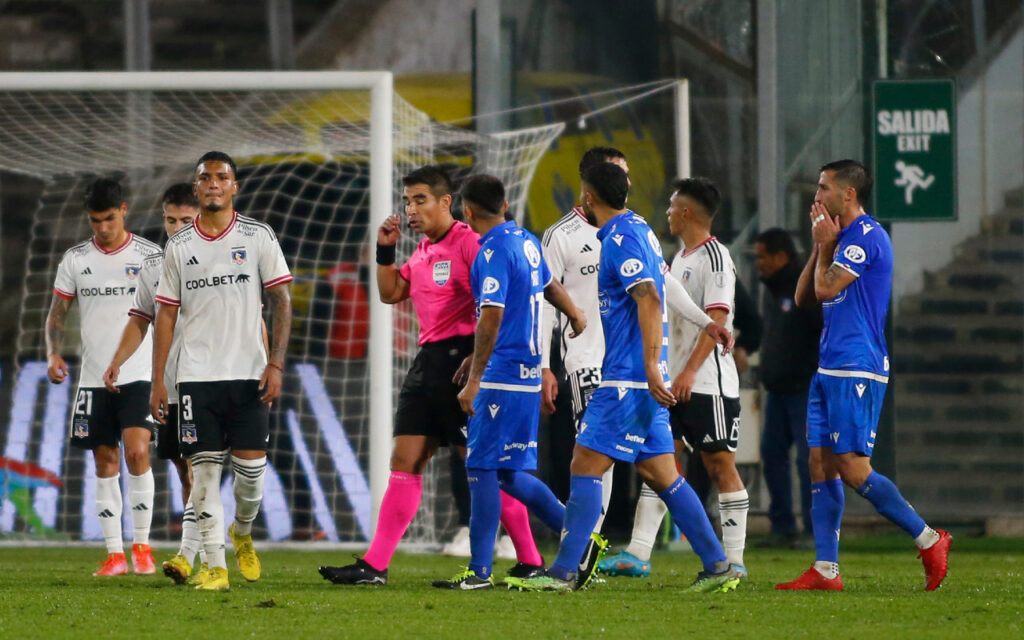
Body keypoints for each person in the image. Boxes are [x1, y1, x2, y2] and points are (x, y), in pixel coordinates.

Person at [507, 163, 740, 593]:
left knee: (584, 463)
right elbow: (662, 286)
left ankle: (564, 572)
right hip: (637, 377)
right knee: (664, 474)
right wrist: (702, 323)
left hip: (628, 379)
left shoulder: (618, 239)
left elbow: (649, 296)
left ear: (589, 197)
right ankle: (718, 565)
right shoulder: (642, 230)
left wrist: (651, 365)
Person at [318, 166, 542, 587]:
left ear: (447, 203)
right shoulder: (421, 251)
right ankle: (375, 566)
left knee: (487, 467)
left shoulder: (471, 244)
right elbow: (389, 293)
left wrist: (479, 361)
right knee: (405, 460)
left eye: (420, 199)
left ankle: (530, 557)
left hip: (463, 362)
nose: (411, 209)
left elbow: (497, 304)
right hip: (427, 363)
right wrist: (385, 250)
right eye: (407, 201)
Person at [776, 160, 951, 591]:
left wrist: (828, 247)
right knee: (820, 464)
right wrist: (820, 247)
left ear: (848, 194)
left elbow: (824, 289)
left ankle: (929, 538)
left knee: (853, 469)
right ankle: (825, 569)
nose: (816, 197)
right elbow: (802, 299)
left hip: (858, 366)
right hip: (829, 365)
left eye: (823, 189)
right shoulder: (837, 240)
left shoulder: (866, 237)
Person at [431, 174, 588, 590]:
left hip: (502, 374)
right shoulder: (527, 241)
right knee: (509, 475)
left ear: (466, 211)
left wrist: (475, 377)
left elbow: (493, 316)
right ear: (504, 204)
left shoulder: (492, 251)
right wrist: (575, 313)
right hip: (527, 371)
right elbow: (550, 287)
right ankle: (584, 543)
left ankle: (480, 571)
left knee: (480, 467)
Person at [150, 151, 293, 592]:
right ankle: (215, 567)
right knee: (205, 474)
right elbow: (166, 317)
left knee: (251, 479)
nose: (213, 184)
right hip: (195, 377)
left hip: (248, 373)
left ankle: (243, 532)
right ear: (196, 189)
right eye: (205, 178)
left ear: (235, 187)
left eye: (222, 177)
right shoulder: (178, 247)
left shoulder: (258, 236)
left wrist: (275, 364)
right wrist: (159, 379)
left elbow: (282, 302)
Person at [601, 177, 750, 579]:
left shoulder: (715, 258)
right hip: (673, 382)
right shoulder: (678, 258)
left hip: (707, 384)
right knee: (660, 465)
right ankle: (638, 552)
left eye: (671, 206)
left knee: (720, 465)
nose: (666, 212)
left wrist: (687, 371)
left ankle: (733, 560)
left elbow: (718, 317)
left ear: (686, 211)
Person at [46, 177, 161, 576]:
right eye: (95, 221)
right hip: (93, 377)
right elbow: (57, 314)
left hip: (139, 373)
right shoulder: (76, 259)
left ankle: (143, 547)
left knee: (137, 451)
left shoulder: (150, 255)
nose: (102, 228)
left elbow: (168, 312)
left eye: (109, 219)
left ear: (124, 211)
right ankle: (115, 555)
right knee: (104, 459)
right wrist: (51, 352)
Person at [103, 183, 209, 583]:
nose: (178, 227)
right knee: (186, 470)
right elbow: (140, 320)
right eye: (171, 220)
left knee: (208, 467)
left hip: (215, 377)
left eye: (186, 220)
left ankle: (204, 549)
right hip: (171, 382)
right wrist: (118, 361)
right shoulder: (152, 266)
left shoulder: (218, 259)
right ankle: (196, 551)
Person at [753, 227, 821, 549]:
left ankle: (814, 529)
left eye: (761, 256)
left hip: (805, 387)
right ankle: (782, 527)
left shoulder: (805, 286)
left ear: (781, 256)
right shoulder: (773, 289)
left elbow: (822, 331)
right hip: (779, 390)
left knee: (808, 460)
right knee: (772, 454)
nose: (758, 264)